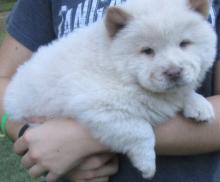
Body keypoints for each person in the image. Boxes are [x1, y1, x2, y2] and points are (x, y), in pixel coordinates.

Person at [0, 0, 220, 182]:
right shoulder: (106, 68)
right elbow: (97, 104)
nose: (173, 67)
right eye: (147, 51)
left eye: (184, 44)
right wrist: (27, 134)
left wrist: (85, 139)